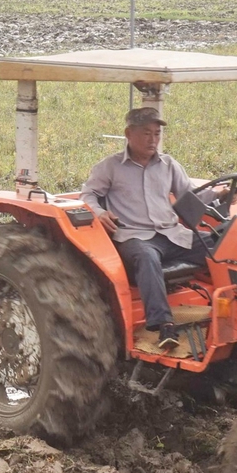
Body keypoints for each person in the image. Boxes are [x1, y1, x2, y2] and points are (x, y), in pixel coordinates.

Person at [81, 106, 205, 356]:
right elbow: (89, 194)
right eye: (147, 133)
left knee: (221, 247)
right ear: (129, 133)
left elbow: (189, 194)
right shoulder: (111, 167)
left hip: (171, 235)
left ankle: (231, 310)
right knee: (147, 258)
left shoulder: (169, 164)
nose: (153, 140)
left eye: (157, 134)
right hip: (135, 236)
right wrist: (99, 212)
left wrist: (221, 193)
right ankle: (164, 326)